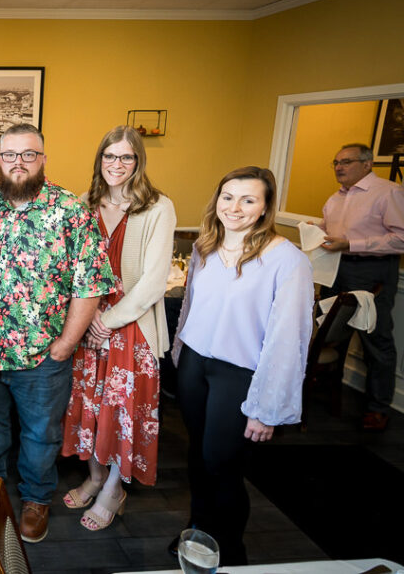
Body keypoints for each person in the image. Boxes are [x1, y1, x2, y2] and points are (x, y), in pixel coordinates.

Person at [0, 124, 116, 543]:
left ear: (43, 159)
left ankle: (35, 499)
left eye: (28, 154)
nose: (18, 162)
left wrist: (66, 343)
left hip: (41, 354)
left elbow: (91, 285)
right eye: (10, 154)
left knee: (40, 434)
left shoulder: (71, 211)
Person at [171, 166, 313, 566]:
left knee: (222, 464)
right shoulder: (206, 246)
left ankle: (230, 552)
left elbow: (290, 339)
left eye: (248, 199)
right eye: (228, 197)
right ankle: (198, 535)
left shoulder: (287, 260)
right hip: (196, 365)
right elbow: (192, 309)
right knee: (197, 458)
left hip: (239, 373)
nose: (234, 207)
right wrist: (181, 355)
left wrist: (267, 408)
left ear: (266, 207)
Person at [61, 126, 176, 531]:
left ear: (138, 161)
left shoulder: (158, 207)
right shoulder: (82, 203)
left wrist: (106, 320)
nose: (117, 165)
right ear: (100, 160)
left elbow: (153, 281)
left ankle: (114, 486)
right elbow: (71, 268)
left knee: (123, 410)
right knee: (91, 405)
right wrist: (88, 316)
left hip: (131, 326)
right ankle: (94, 476)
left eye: (126, 157)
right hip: (86, 320)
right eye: (110, 156)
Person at [319, 143, 404, 431]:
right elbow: (333, 230)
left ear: (367, 164)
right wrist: (317, 230)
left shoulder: (388, 192)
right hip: (336, 269)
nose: (339, 167)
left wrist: (352, 244)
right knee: (330, 330)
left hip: (371, 271)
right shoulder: (335, 198)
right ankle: (328, 389)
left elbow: (401, 239)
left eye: (346, 162)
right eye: (335, 162)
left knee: (375, 340)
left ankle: (378, 407)